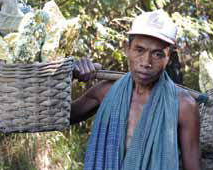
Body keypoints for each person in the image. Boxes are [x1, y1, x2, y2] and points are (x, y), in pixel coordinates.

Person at [71, 10, 201, 170]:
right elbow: (62, 116)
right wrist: (67, 75)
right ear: (127, 48)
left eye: (158, 54)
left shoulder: (183, 106)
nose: (146, 62)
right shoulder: (106, 92)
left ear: (168, 57)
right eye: (139, 50)